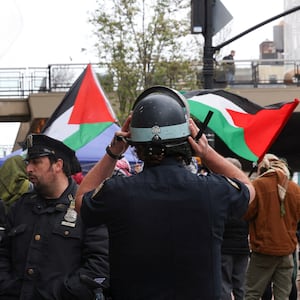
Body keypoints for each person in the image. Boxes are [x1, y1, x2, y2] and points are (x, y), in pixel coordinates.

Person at [75, 86, 255, 300]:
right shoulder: (212, 190)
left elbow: (80, 199)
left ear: (135, 143)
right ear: (187, 139)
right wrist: (206, 153)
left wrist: (113, 152)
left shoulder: (118, 192)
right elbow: (248, 188)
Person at [0, 134, 109, 300]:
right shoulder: (21, 206)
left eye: (36, 162)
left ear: (58, 165)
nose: (28, 169)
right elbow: (3, 254)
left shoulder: (85, 207)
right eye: (28, 162)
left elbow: (100, 264)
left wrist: (63, 293)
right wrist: (9, 287)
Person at [244, 153, 300, 300]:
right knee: (283, 295)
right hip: (287, 250)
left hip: (264, 249)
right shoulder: (294, 188)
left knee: (252, 293)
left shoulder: (258, 185)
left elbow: (246, 214)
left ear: (262, 167)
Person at [221, 157, 250, 300]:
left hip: (225, 247)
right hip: (243, 247)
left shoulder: (221, 192)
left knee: (224, 285)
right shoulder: (245, 193)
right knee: (241, 285)